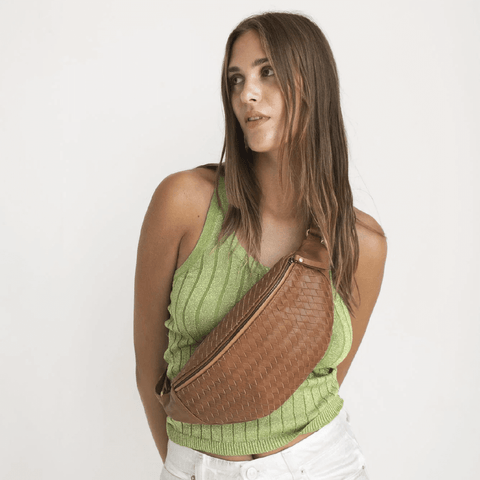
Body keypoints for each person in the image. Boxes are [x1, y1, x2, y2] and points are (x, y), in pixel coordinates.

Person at [134, 11, 387, 480]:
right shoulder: (183, 203)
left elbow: (313, 377)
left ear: (312, 82)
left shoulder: (361, 242)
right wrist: (191, 461)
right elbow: (149, 372)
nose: (246, 93)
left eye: (267, 72)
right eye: (236, 79)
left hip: (322, 464)